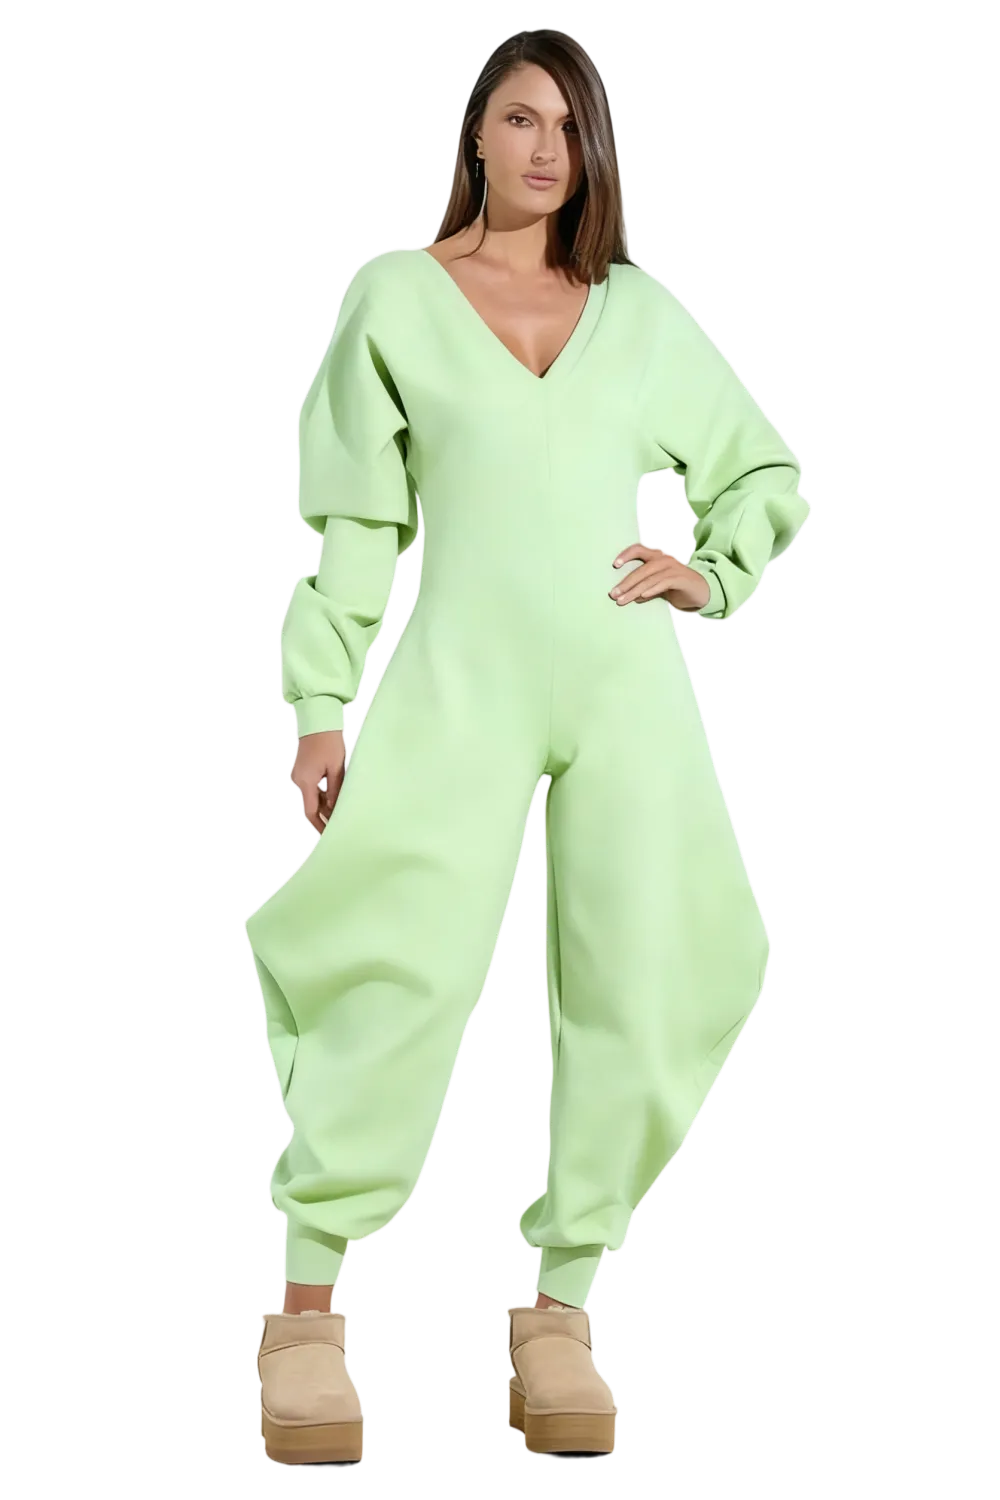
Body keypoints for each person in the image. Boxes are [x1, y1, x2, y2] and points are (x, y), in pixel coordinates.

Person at [249, 28, 811, 1464]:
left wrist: (707, 571)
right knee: (397, 951)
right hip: (458, 677)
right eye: (519, 117)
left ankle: (561, 1306)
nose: (546, 146)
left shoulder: (641, 312)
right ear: (477, 138)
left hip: (626, 679)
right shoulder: (395, 294)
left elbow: (763, 465)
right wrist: (323, 706)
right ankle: (307, 1313)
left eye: (570, 124)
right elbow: (357, 525)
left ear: (592, 150)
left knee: (653, 958)